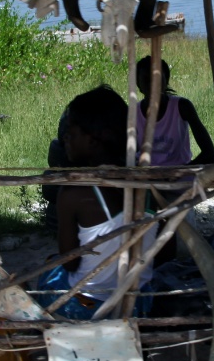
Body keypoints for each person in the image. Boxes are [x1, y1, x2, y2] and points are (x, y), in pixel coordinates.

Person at [49, 85, 157, 318]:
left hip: (90, 306)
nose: (65, 137)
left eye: (72, 131)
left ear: (94, 139)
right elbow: (164, 252)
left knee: (47, 277)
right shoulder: (148, 185)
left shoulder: (74, 193)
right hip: (139, 303)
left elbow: (70, 263)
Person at [134, 56, 214, 169]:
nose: (153, 85)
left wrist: (182, 172)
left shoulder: (182, 107)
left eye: (157, 79)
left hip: (179, 179)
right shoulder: (133, 113)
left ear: (166, 80)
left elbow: (209, 152)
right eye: (146, 80)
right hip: (146, 178)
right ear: (138, 85)